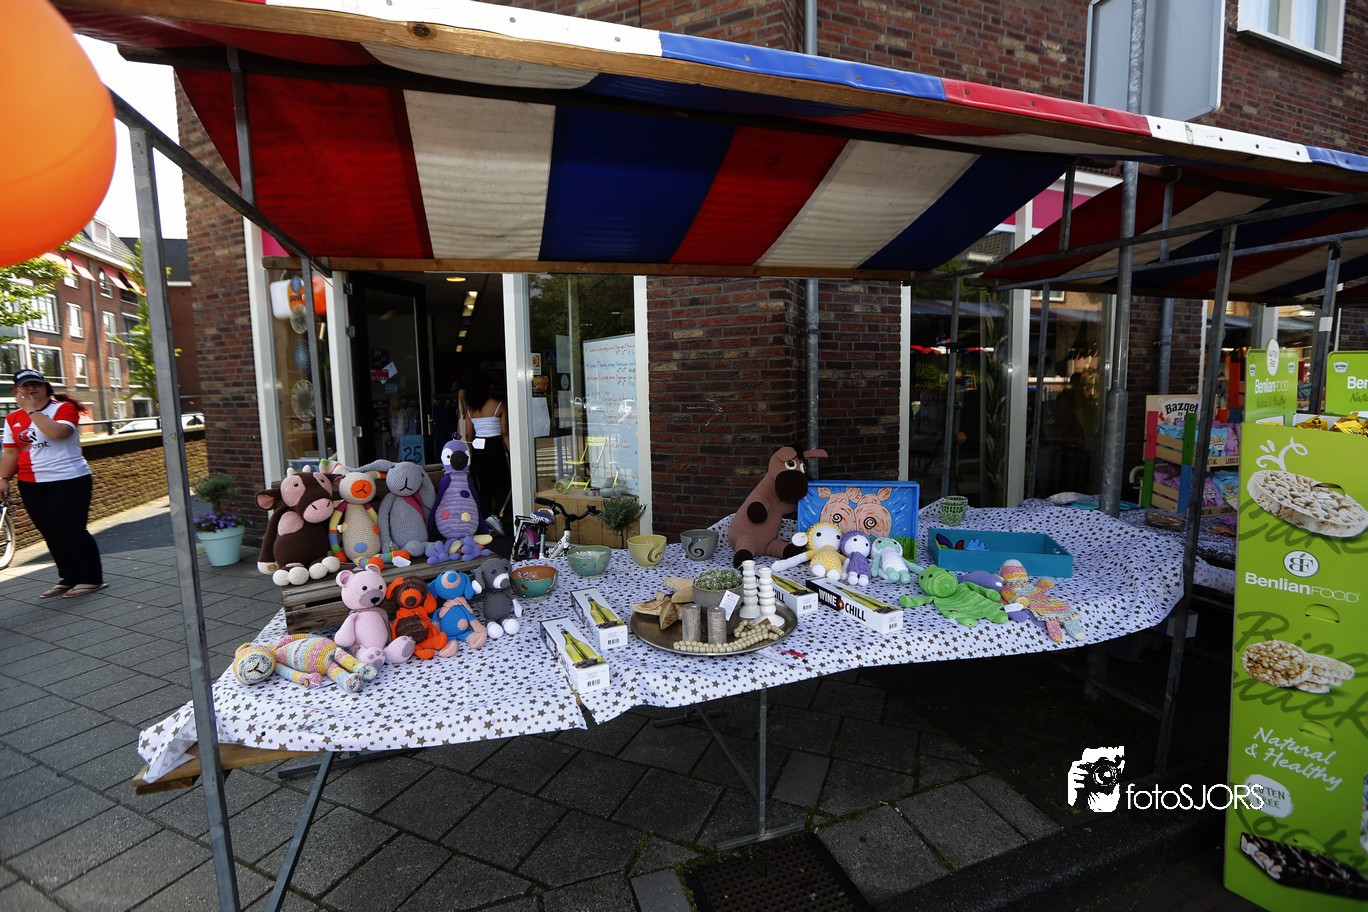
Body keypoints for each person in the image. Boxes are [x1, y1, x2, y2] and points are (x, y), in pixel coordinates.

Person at [0, 369, 105, 598]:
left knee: (70, 529)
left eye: (36, 384)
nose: (31, 389)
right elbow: (11, 452)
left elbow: (58, 433)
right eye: (25, 386)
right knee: (49, 531)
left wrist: (31, 410)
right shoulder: (12, 418)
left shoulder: (63, 409)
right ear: (17, 390)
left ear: (46, 387)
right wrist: (4, 479)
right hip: (30, 482)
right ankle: (69, 577)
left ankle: (91, 578)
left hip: (68, 479)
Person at [461, 371, 510, 537]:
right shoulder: (499, 405)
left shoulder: (470, 409)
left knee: (485, 487)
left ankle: (485, 522)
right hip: (494, 446)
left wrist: (469, 454)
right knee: (505, 482)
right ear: (489, 388)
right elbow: (504, 432)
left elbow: (468, 435)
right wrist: (511, 452)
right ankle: (497, 516)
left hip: (478, 448)